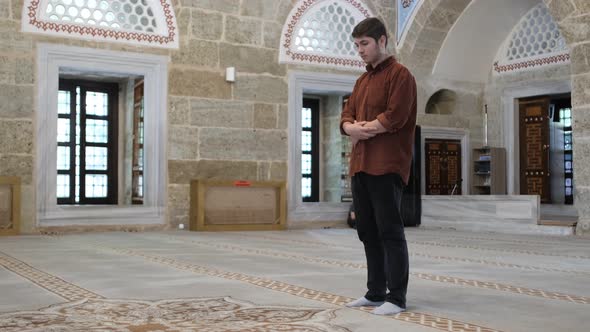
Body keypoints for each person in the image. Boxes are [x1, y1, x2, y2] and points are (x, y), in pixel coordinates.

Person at [340, 17, 417, 315]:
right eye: (357, 45)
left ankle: (396, 297)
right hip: (360, 165)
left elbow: (396, 116)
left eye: (365, 44)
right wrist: (350, 128)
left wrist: (362, 130)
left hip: (386, 166)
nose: (359, 50)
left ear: (382, 41)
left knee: (390, 231)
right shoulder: (361, 81)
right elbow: (346, 114)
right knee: (367, 232)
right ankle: (375, 292)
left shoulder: (401, 75)